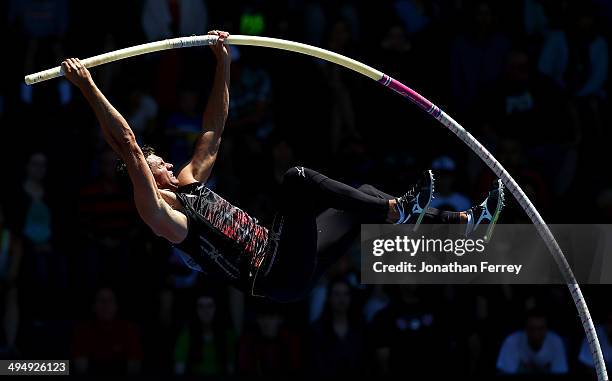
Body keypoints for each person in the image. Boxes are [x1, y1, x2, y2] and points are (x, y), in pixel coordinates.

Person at [61, 30, 504, 303]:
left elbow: (213, 130)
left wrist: (224, 64)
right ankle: (395, 211)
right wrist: (88, 86)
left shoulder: (189, 184)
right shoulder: (162, 215)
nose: (163, 159)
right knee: (297, 181)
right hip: (272, 273)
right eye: (157, 160)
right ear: (144, 177)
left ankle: (462, 223)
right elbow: (129, 147)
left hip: (288, 261)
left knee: (362, 198)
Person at [496, 308, 568, 375]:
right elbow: (505, 372)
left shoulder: (556, 342)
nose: (536, 334)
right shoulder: (511, 341)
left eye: (540, 328)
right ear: (525, 328)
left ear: (546, 329)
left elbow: (560, 372)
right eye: (532, 329)